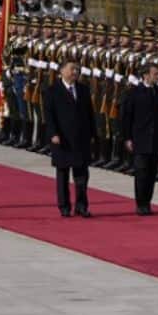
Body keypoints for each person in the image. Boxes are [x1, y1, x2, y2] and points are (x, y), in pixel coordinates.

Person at [43, 59, 97, 218]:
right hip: (62, 139)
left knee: (82, 175)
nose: (75, 72)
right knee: (63, 175)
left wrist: (93, 134)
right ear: (62, 71)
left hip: (81, 139)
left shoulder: (83, 90)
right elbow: (49, 116)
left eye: (77, 69)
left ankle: (81, 205)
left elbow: (89, 114)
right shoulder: (52, 91)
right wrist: (53, 133)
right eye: (72, 69)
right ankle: (64, 206)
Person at [120, 62, 158, 215]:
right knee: (141, 172)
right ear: (145, 75)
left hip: (156, 138)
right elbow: (127, 118)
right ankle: (140, 203)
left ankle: (147, 202)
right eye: (155, 74)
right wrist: (127, 138)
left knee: (151, 173)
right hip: (140, 138)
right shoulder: (134, 93)